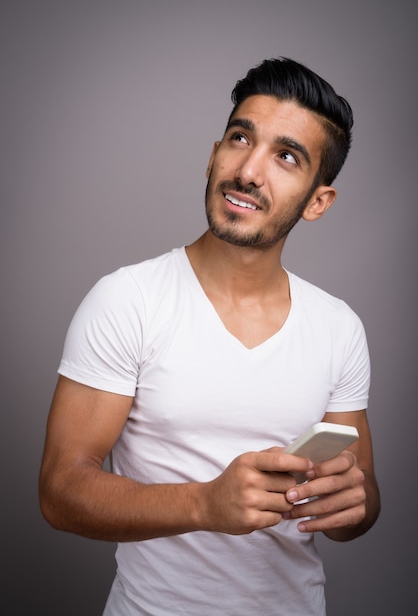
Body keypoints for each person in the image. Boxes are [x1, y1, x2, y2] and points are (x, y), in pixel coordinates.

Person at [39, 57, 381, 615]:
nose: (248, 171)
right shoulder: (129, 300)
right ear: (212, 154)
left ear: (318, 201)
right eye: (239, 138)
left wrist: (351, 502)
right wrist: (203, 503)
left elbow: (358, 508)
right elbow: (59, 492)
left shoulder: (339, 327)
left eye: (286, 157)